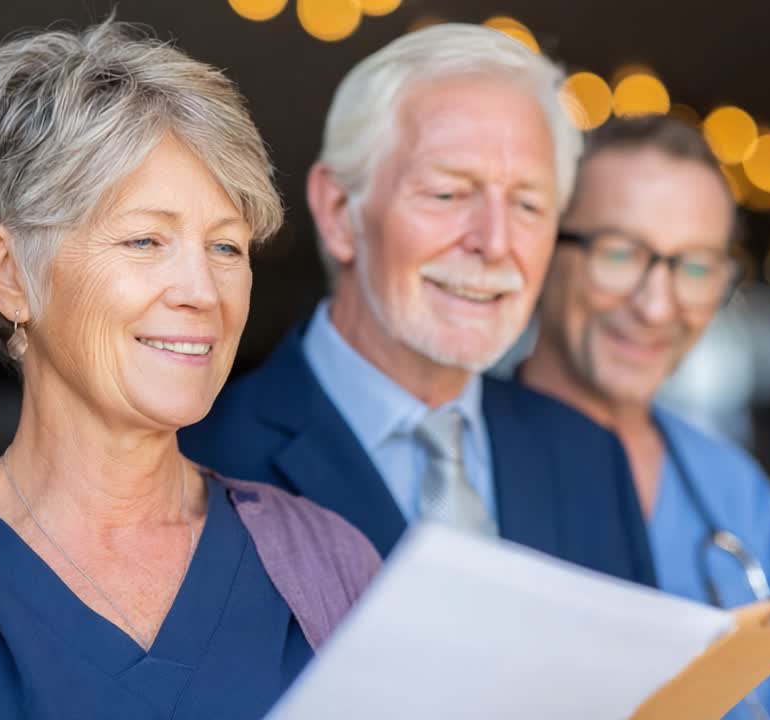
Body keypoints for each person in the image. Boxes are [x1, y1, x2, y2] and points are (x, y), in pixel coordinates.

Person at [0, 21, 380, 720]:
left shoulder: (334, 563)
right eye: (145, 239)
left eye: (226, 247)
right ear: (7, 273)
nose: (202, 290)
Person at [181, 23, 654, 585]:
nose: (495, 242)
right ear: (338, 211)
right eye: (448, 194)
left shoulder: (589, 459)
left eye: (528, 204)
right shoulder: (198, 460)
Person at [519, 115, 770, 719]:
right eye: (620, 252)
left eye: (695, 266)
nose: (655, 305)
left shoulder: (739, 496)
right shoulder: (454, 458)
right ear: (546, 247)